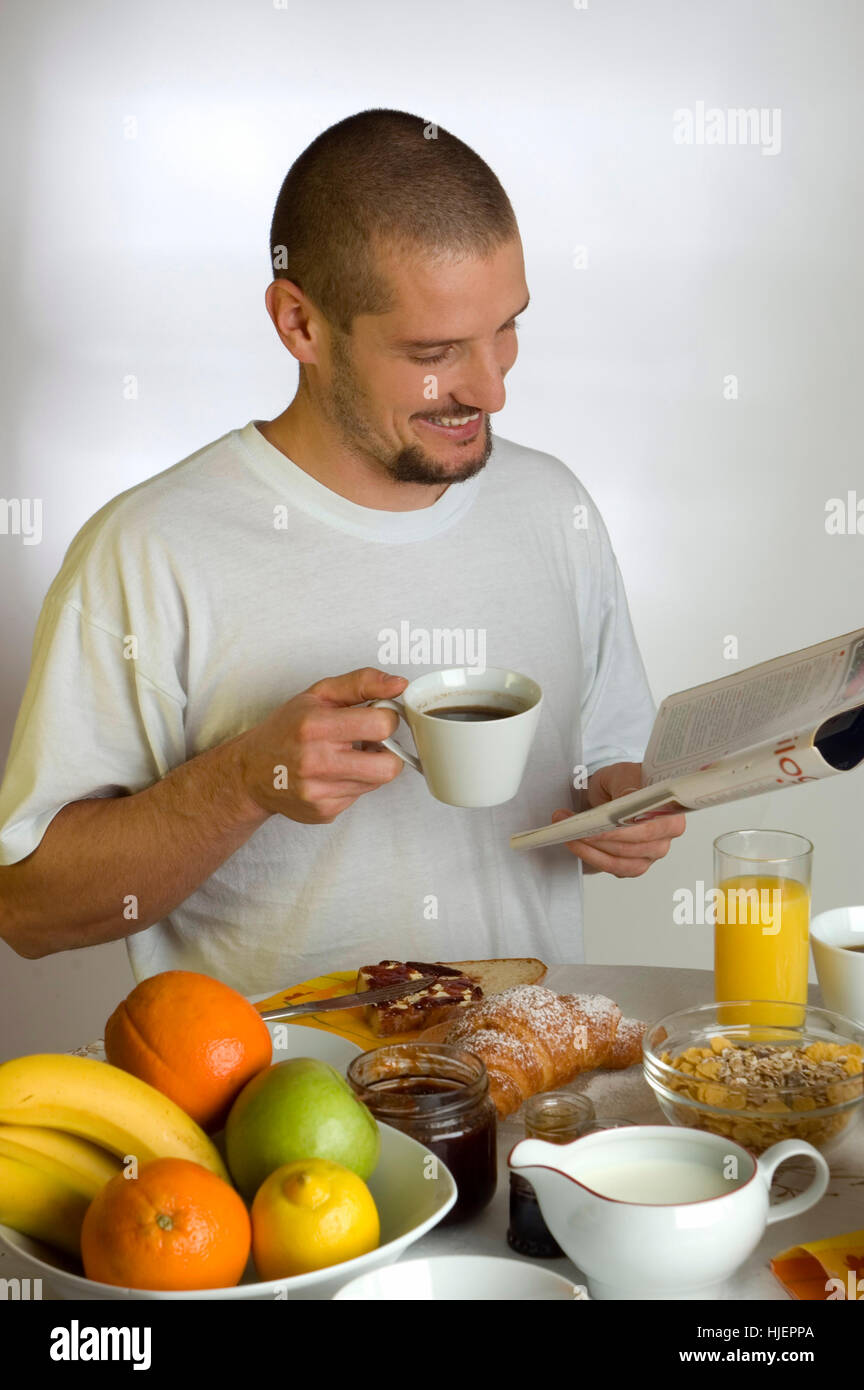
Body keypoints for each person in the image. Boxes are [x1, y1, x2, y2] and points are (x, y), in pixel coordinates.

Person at [0, 109, 685, 993]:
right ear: (301, 325)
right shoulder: (148, 550)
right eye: (436, 351)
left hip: (531, 1102)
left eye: (507, 327)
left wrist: (617, 813)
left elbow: (604, 768)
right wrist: (245, 780)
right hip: (276, 1121)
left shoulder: (556, 508)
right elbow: (28, 910)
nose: (492, 387)